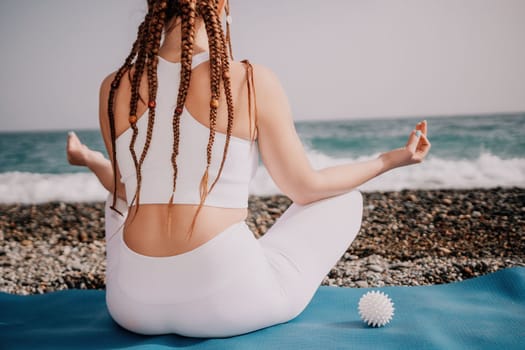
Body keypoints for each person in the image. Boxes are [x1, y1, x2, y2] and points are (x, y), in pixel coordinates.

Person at [67, 0, 430, 338]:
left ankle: (91, 160)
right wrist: (389, 159)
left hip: (132, 309)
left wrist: (96, 162)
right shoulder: (248, 78)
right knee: (344, 199)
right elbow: (306, 188)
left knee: (121, 206)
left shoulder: (114, 87)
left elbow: (128, 191)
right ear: (221, 5)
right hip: (228, 304)